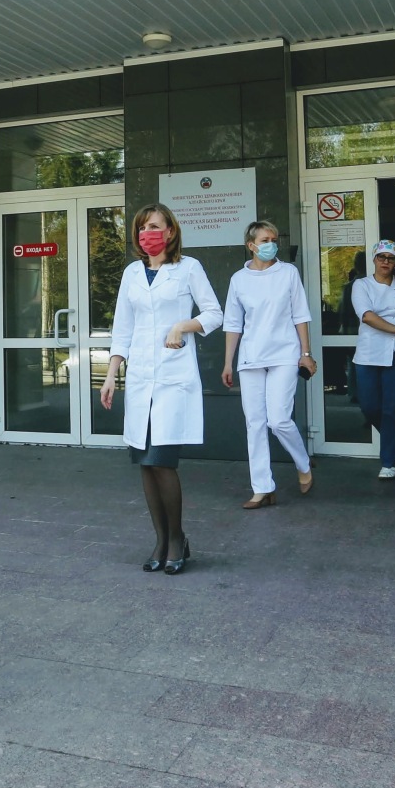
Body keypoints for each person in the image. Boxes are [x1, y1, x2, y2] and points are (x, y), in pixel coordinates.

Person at [100, 204, 221, 574]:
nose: (146, 234)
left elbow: (215, 313)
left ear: (170, 231)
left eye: (153, 226)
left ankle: (177, 538)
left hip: (173, 378)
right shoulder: (132, 273)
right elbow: (123, 327)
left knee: (162, 460)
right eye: (141, 228)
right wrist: (111, 373)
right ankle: (161, 538)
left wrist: (182, 326)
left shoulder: (188, 268)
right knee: (145, 464)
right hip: (140, 378)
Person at [221, 221, 316, 509]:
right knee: (255, 423)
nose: (271, 244)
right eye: (265, 240)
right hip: (251, 357)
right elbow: (233, 323)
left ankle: (303, 462)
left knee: (278, 420)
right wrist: (228, 363)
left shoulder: (288, 272)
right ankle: (262, 488)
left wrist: (306, 353)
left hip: (285, 354)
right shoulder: (239, 279)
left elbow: (300, 315)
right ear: (251, 245)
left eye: (274, 239)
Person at [351, 240, 395, 479]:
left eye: (391, 259)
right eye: (381, 257)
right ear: (374, 259)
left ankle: (389, 461)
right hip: (369, 353)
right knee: (369, 406)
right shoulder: (362, 285)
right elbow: (367, 316)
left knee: (392, 408)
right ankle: (394, 437)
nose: (386, 262)